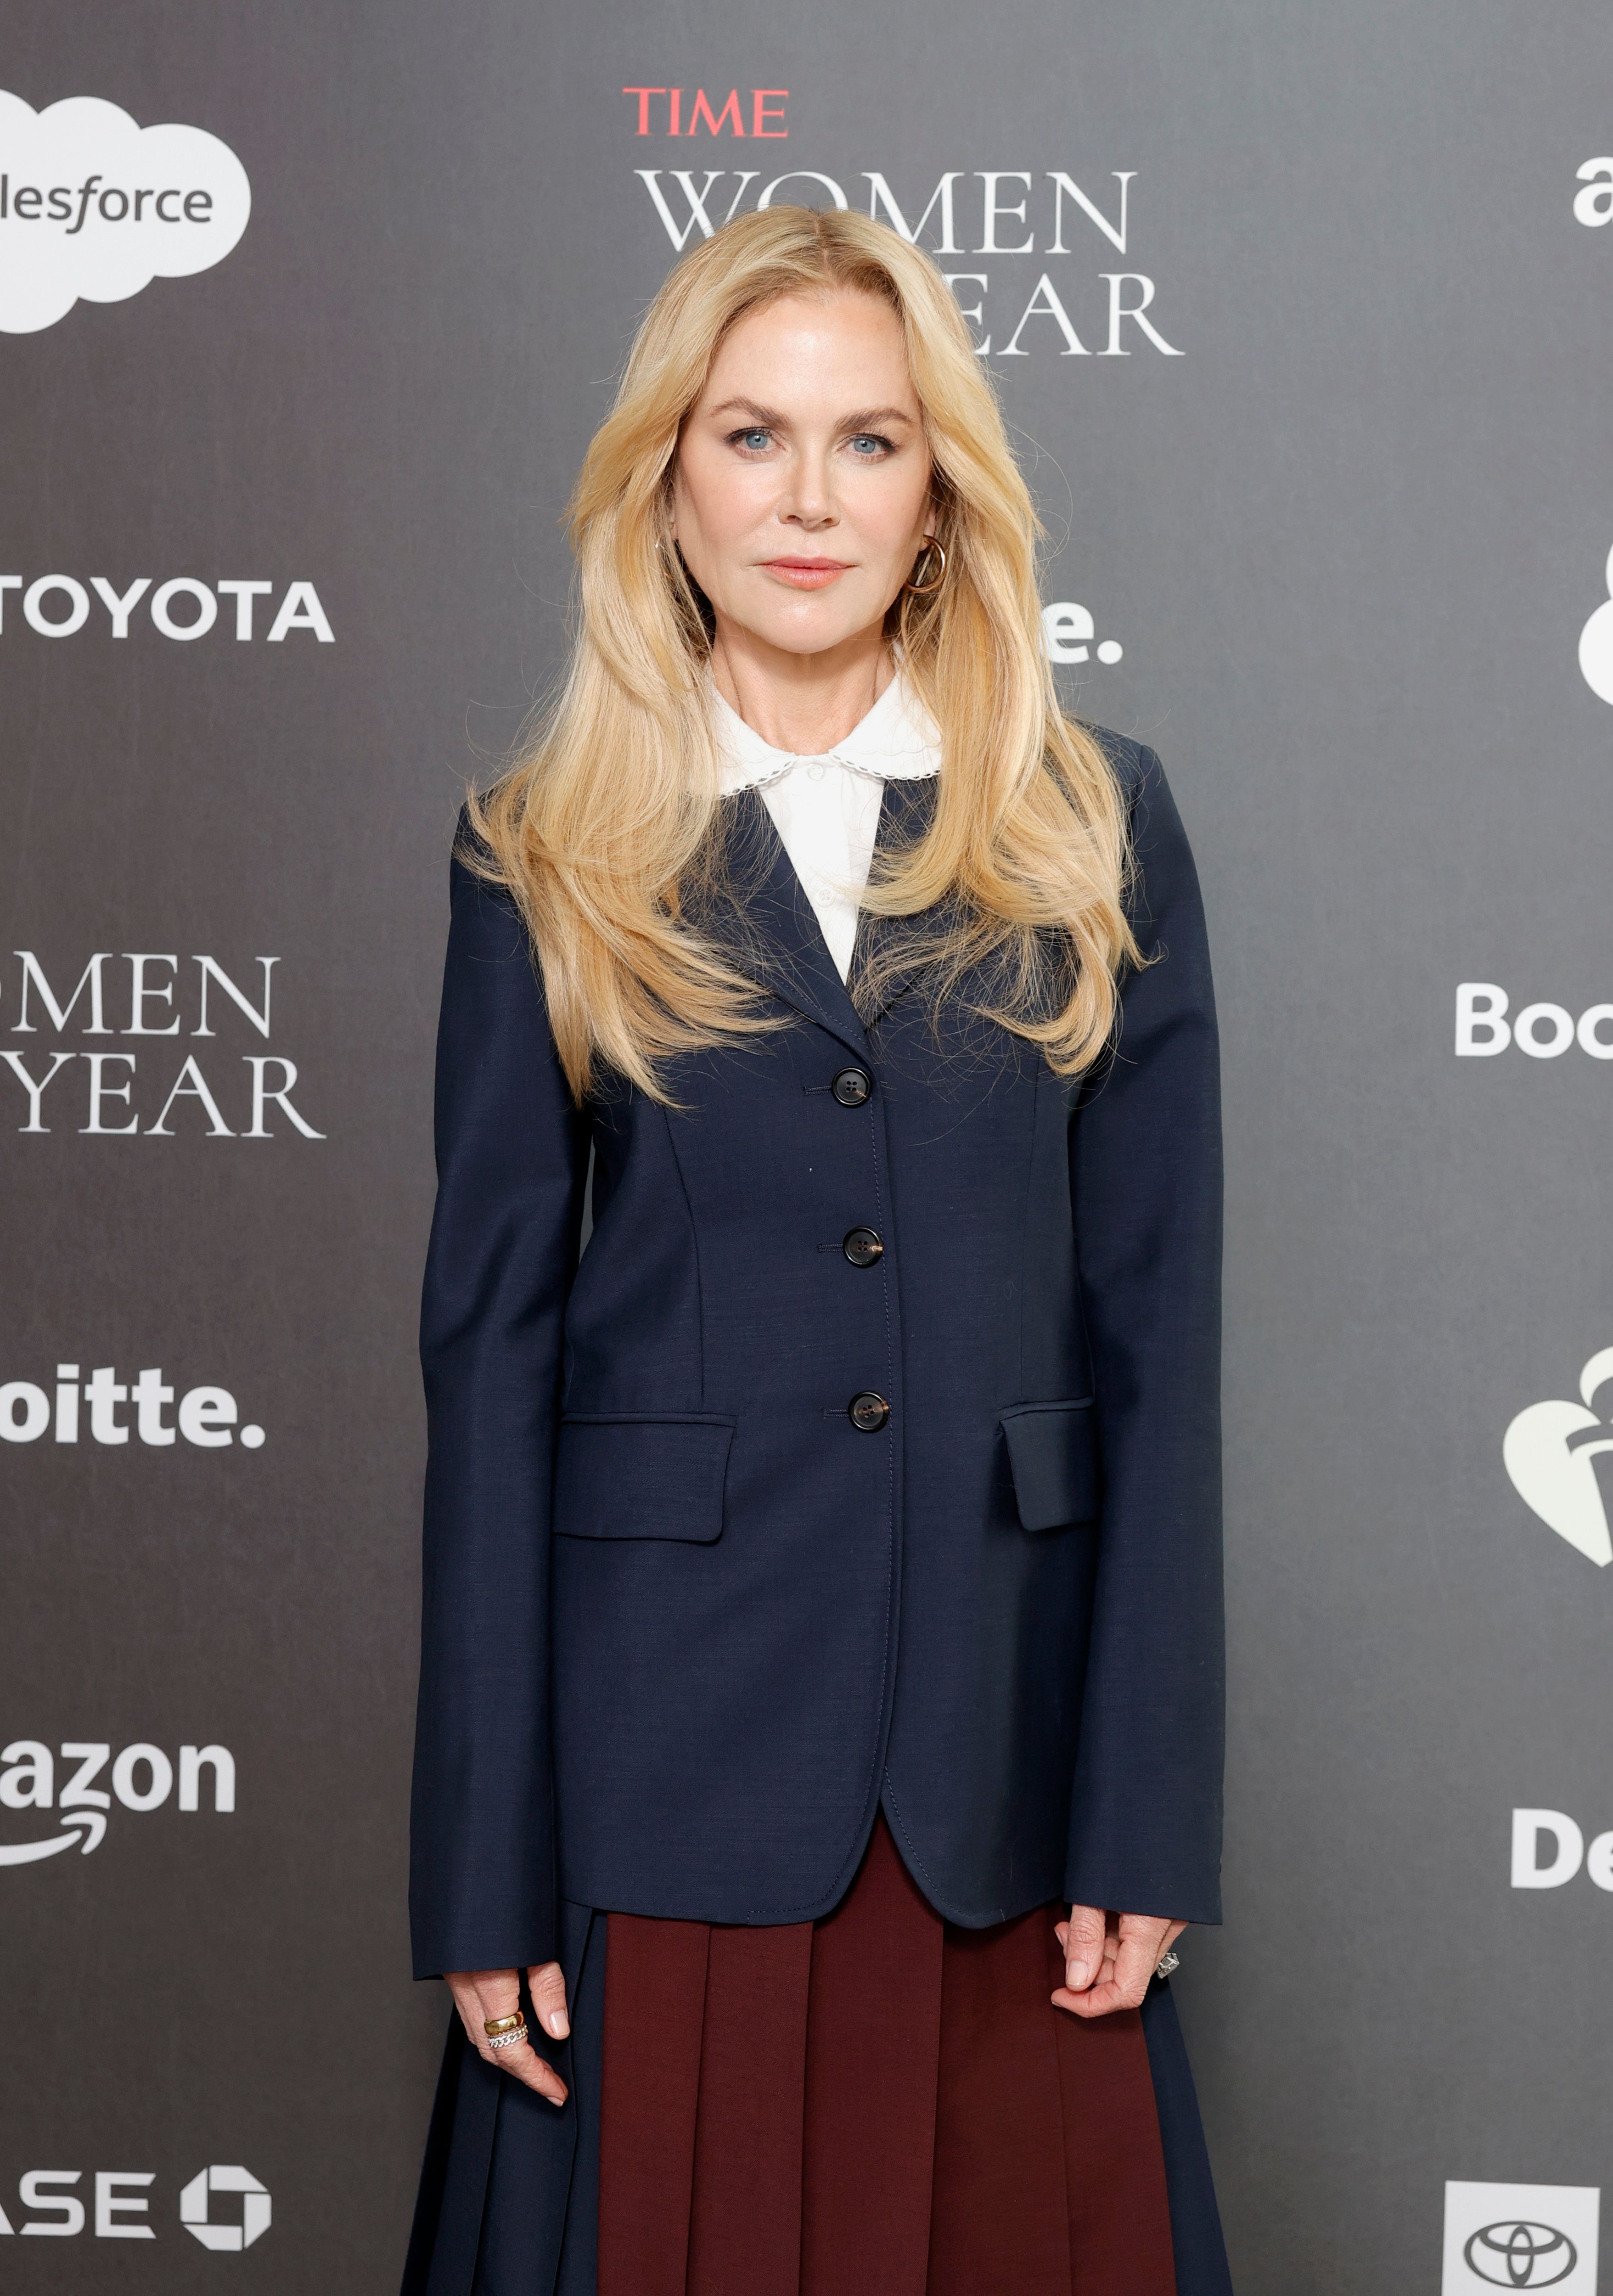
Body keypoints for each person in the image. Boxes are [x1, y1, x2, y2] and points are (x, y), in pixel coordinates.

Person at [401, 204, 1229, 2296]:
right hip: (662, 1777)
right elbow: (487, 1371)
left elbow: (1158, 1352)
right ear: (667, 481)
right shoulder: (543, 847)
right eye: (752, 435)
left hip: (1004, 1790)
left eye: (869, 441)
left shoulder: (1091, 823)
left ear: (938, 488)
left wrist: (1142, 1821)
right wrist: (478, 1864)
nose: (808, 496)